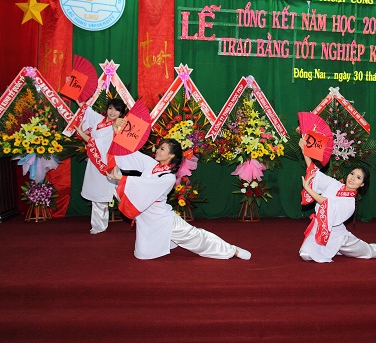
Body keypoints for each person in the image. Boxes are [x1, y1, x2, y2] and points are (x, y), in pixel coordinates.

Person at [107, 138, 251, 261]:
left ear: (171, 155)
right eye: (159, 147)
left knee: (195, 237)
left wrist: (120, 177)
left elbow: (146, 185)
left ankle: (231, 250)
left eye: (162, 149)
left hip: (162, 219)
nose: (157, 151)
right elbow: (131, 155)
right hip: (147, 218)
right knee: (143, 254)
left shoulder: (168, 177)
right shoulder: (151, 165)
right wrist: (118, 137)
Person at [298, 138, 376, 262]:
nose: (353, 178)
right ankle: (332, 249)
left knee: (370, 251)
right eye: (352, 174)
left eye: (358, 178)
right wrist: (305, 151)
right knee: (305, 254)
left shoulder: (350, 203)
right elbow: (315, 173)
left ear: (362, 184)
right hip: (320, 228)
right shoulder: (335, 184)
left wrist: (308, 189)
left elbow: (327, 204)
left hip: (338, 236)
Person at [75, 98, 127, 234]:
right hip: (96, 162)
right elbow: (85, 108)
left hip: (111, 163)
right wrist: (76, 94)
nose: (112, 112)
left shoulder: (119, 127)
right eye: (110, 108)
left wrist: (81, 133)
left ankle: (143, 219)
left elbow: (96, 142)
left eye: (117, 110)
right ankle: (98, 226)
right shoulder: (99, 120)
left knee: (124, 193)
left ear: (121, 113)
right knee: (98, 195)